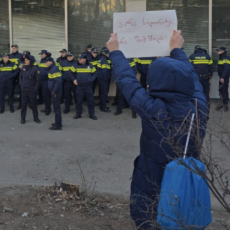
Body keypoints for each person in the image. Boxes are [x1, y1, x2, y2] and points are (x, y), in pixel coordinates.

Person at [106, 30, 208, 229]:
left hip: (150, 181)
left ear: (151, 85)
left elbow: (127, 81)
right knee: (182, 217)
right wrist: (177, 50)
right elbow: (193, 78)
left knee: (148, 218)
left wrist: (115, 52)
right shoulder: (199, 106)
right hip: (186, 180)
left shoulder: (153, 108)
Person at [72, 53, 97, 120]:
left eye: (80, 59)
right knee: (79, 101)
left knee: (90, 101)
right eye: (79, 59)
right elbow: (70, 73)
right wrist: (74, 79)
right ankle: (78, 114)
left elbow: (95, 73)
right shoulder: (76, 66)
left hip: (88, 86)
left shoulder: (90, 66)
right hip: (79, 86)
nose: (79, 60)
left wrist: (91, 79)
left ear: (85, 59)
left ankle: (92, 114)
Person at [20, 54, 41, 124]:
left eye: (26, 60)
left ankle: (36, 117)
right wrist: (21, 85)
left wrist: (35, 89)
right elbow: (20, 77)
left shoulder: (35, 69)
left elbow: (38, 80)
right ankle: (23, 118)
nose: (25, 61)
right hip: (24, 90)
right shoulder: (23, 68)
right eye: (24, 60)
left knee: (33, 105)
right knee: (23, 105)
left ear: (30, 61)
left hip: (32, 90)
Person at [45, 57, 63, 130]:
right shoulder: (52, 68)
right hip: (54, 91)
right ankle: (57, 122)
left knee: (57, 108)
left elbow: (58, 81)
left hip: (56, 92)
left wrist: (54, 91)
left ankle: (58, 125)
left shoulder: (54, 69)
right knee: (56, 108)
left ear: (51, 62)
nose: (46, 63)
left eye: (47, 62)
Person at [97, 47, 112, 113]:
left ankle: (102, 105)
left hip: (102, 79)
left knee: (102, 93)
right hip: (103, 79)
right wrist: (107, 79)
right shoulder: (104, 60)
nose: (109, 54)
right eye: (107, 53)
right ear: (104, 53)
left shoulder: (103, 59)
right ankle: (103, 107)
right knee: (103, 93)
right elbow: (104, 72)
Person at [217, 46, 230, 111]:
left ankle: (225, 106)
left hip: (224, 78)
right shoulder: (222, 57)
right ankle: (224, 105)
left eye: (218, 51)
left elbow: (226, 68)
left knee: (223, 91)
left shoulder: (225, 58)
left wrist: (222, 77)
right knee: (222, 91)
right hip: (223, 77)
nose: (217, 52)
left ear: (222, 51)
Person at [9, 45, 22, 109]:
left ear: (17, 49)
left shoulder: (20, 56)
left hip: (19, 74)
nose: (13, 49)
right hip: (12, 74)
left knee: (21, 89)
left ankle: (20, 103)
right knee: (11, 88)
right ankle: (11, 101)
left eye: (14, 48)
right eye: (12, 48)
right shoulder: (10, 56)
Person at [39, 50, 52, 115]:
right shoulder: (41, 61)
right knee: (44, 96)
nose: (41, 55)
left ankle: (48, 109)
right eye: (40, 54)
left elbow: (51, 70)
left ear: (46, 55)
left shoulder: (49, 61)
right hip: (41, 80)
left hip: (47, 81)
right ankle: (46, 107)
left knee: (47, 96)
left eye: (42, 54)